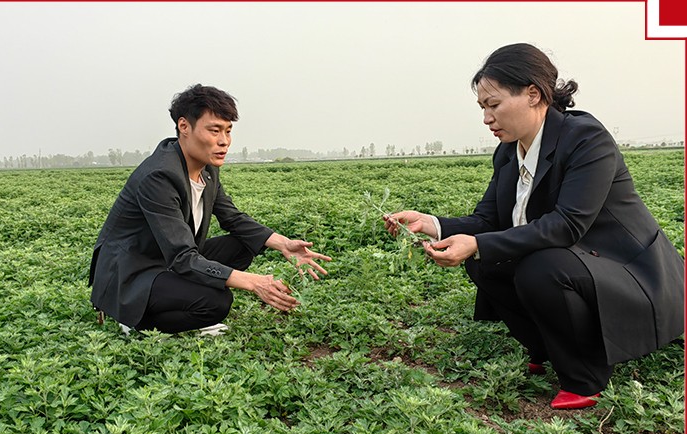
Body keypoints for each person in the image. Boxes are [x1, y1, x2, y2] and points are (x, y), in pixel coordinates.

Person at [385, 43, 684, 410]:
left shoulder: (586, 139)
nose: (486, 118)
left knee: (538, 267)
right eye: (482, 108)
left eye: (493, 105)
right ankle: (545, 345)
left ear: (533, 94)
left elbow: (567, 224)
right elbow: (488, 221)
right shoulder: (509, 151)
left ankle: (586, 375)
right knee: (486, 261)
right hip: (582, 264)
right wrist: (432, 224)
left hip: (629, 271)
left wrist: (479, 243)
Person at [89, 84, 330, 335]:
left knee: (245, 243)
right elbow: (183, 258)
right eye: (214, 130)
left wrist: (282, 243)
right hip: (132, 273)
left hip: (166, 259)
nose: (224, 141)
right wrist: (255, 282)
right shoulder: (159, 176)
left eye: (228, 131)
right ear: (184, 126)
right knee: (216, 303)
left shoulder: (207, 168)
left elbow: (232, 218)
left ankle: (176, 297)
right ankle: (136, 321)